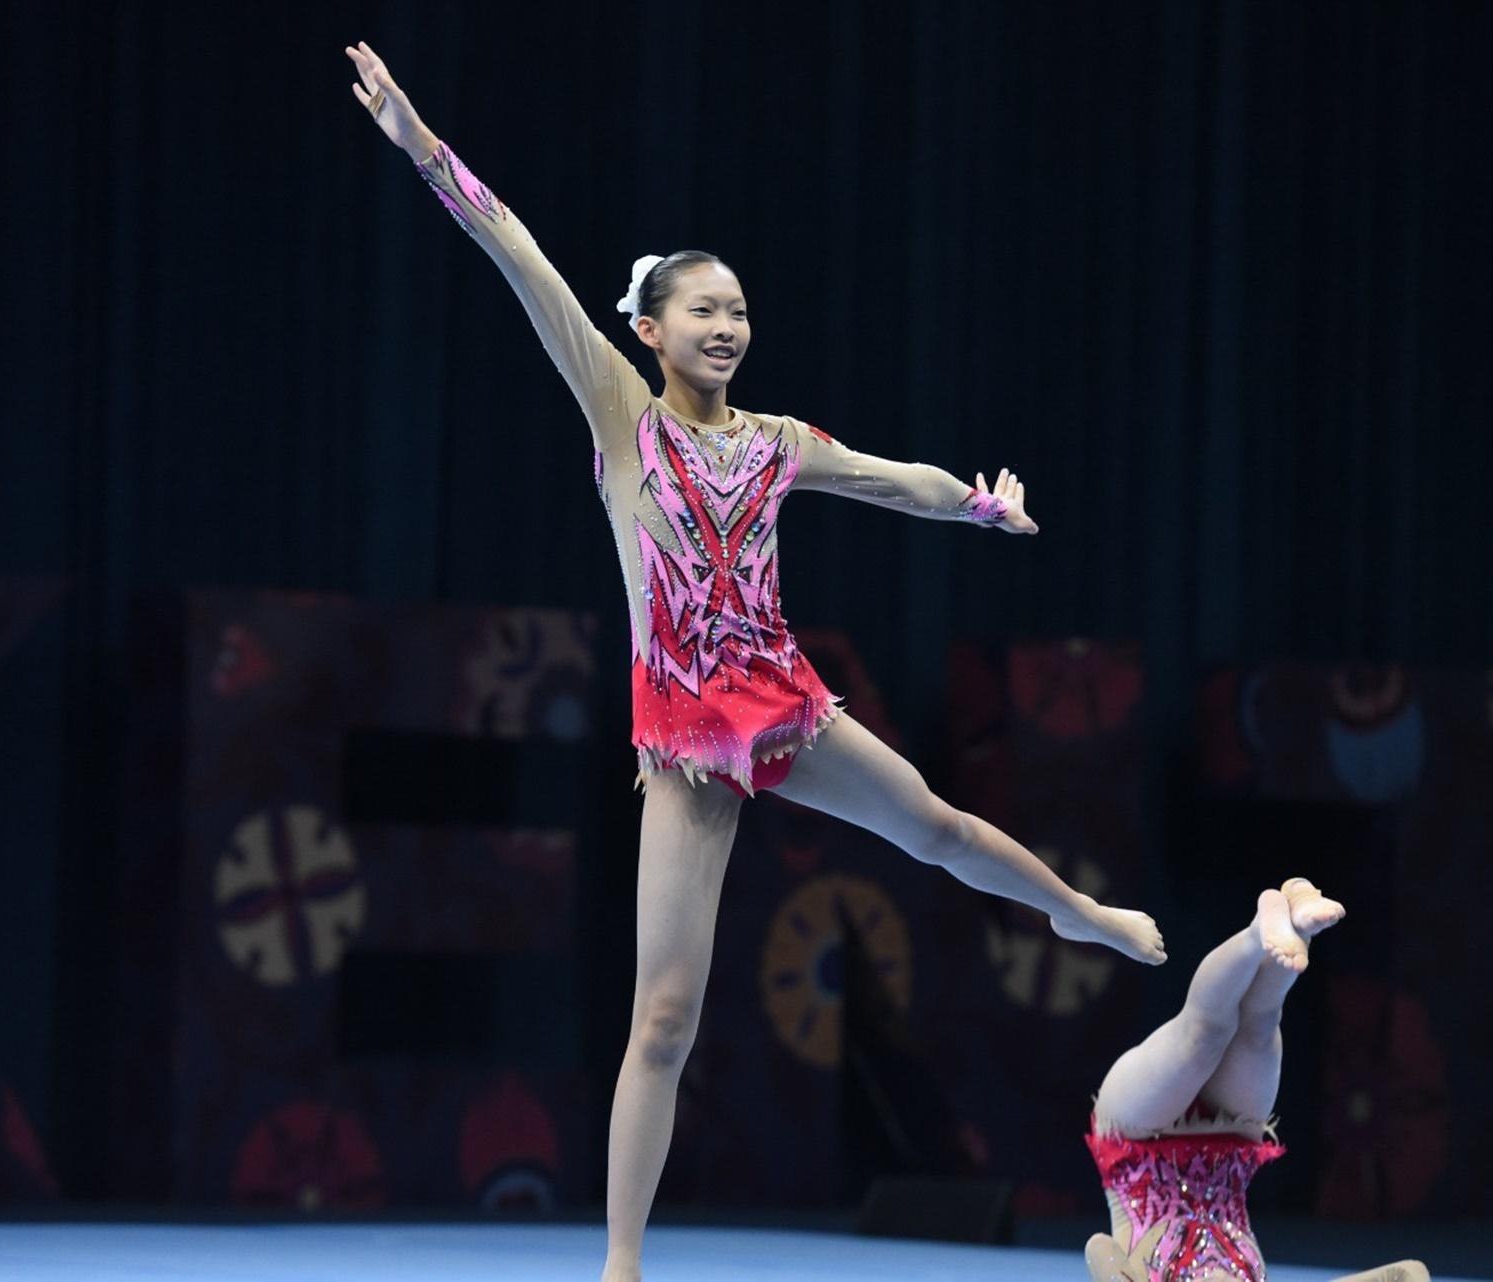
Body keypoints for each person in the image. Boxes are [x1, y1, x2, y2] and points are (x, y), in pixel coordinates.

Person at [344, 41, 1168, 1281]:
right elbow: (519, 255)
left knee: (939, 826)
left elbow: (892, 479)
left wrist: (980, 507)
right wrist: (420, 147)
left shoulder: (777, 441)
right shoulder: (623, 413)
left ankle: (1080, 912)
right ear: (649, 329)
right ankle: (623, 1263)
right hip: (684, 742)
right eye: (702, 311)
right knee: (664, 1016)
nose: (726, 326)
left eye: (736, 310)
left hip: (784, 705)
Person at [1082, 878, 1424, 1282]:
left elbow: (1098, 1247)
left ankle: (1257, 933)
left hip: (1134, 1146)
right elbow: (1410, 1274)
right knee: (1260, 1025)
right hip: (1229, 1144)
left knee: (1202, 1036)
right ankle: (1293, 920)